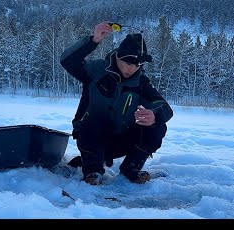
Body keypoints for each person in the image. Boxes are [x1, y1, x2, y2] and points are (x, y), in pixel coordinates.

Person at [60, 21, 174, 185]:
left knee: (158, 126)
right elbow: (67, 61)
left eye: (138, 64)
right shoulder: (96, 70)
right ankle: (92, 171)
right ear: (119, 56)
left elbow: (165, 108)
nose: (132, 69)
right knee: (96, 121)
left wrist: (155, 115)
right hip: (90, 136)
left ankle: (131, 168)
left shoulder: (141, 82)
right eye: (129, 63)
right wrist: (93, 40)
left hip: (119, 140)